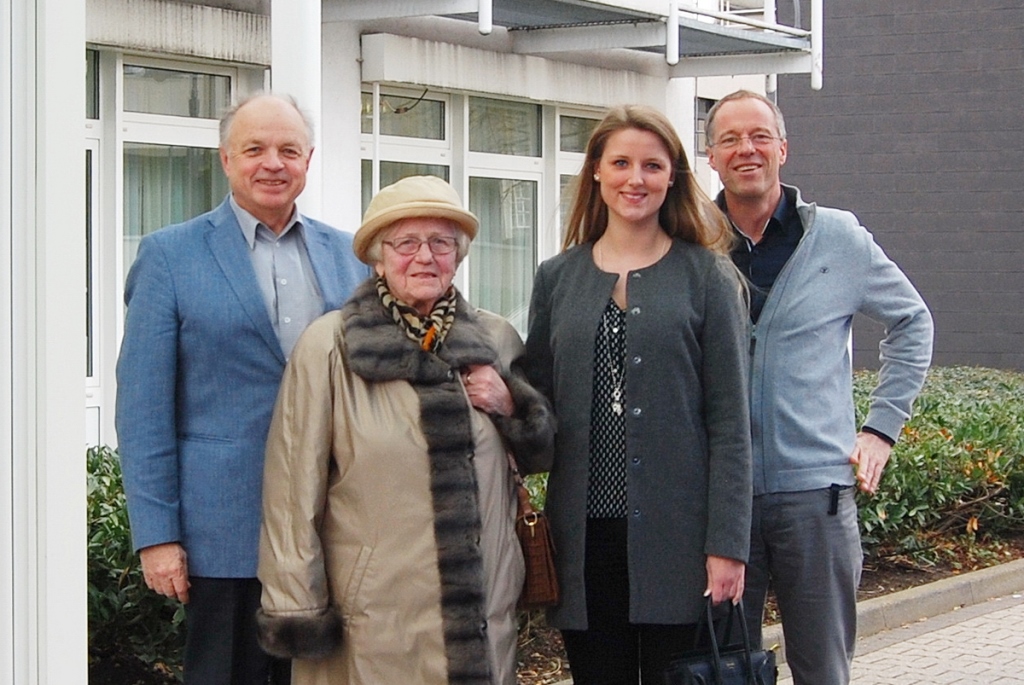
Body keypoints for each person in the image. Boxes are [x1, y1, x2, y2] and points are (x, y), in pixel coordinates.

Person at [254, 175, 555, 685]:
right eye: (406, 243)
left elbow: (537, 457)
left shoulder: (495, 339)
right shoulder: (329, 347)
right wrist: (297, 607)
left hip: (481, 619)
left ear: (458, 257)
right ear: (376, 256)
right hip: (371, 621)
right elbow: (291, 492)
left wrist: (510, 407)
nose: (425, 257)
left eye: (441, 243)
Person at [115, 92, 368, 684]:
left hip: (332, 524)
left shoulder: (351, 257)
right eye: (254, 149)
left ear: (309, 159)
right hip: (221, 533)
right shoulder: (170, 256)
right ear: (226, 159)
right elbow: (143, 407)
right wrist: (158, 536)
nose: (272, 163)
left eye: (288, 150)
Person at [705, 89, 934, 685]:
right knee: (723, 670)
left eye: (758, 135)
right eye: (729, 139)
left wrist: (881, 429)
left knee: (824, 670)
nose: (745, 149)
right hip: (720, 500)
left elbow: (912, 321)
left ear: (783, 148)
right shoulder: (689, 243)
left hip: (817, 499)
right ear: (711, 157)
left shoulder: (840, 238)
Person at [523, 105, 753, 684]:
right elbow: (538, 401)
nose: (636, 178)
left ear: (672, 176)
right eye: (620, 162)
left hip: (681, 539)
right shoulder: (558, 277)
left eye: (653, 165)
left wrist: (728, 545)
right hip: (585, 542)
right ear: (596, 172)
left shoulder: (708, 275)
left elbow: (731, 421)